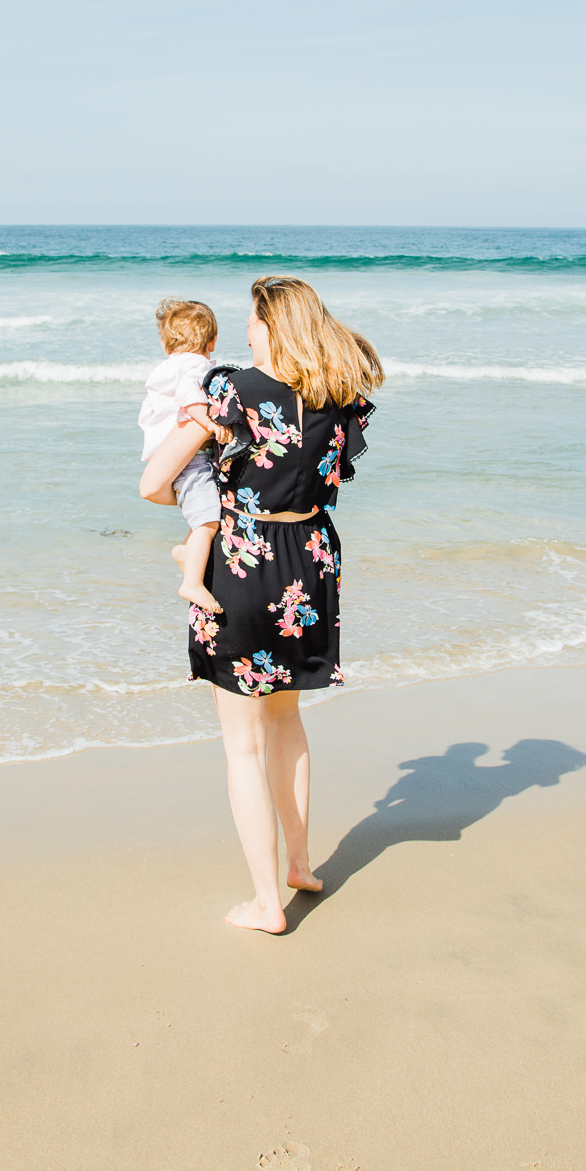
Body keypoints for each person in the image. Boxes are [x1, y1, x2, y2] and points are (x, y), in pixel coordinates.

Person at [141, 276, 382, 933]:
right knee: (287, 723)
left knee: (242, 747)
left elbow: (152, 483)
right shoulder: (340, 397)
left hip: (245, 565)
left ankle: (266, 903)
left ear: (271, 325)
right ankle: (300, 864)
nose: (246, 330)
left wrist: (199, 507)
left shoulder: (236, 392)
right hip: (310, 562)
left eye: (252, 319)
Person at [137, 298, 229, 614]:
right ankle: (191, 582)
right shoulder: (198, 365)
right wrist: (208, 423)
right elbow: (191, 395)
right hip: (190, 455)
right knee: (208, 519)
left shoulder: (166, 367)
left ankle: (185, 550)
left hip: (166, 454)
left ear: (166, 344)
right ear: (212, 341)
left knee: (201, 507)